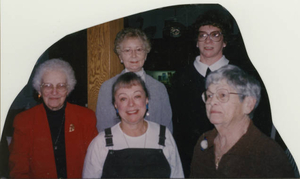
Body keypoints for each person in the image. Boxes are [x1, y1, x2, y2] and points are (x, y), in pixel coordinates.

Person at [170, 9, 273, 176]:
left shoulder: (243, 75)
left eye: (215, 35)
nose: (208, 40)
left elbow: (262, 121)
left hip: (236, 158)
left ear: (224, 41)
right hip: (191, 161)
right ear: (196, 41)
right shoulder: (181, 77)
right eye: (202, 35)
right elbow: (175, 123)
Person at [190, 64, 294, 178]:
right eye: (209, 95)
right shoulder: (204, 143)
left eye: (223, 95)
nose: (212, 101)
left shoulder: (268, 154)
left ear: (248, 104)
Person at [83, 72, 184, 178]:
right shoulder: (101, 143)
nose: (131, 104)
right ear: (116, 105)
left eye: (137, 96)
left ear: (146, 100)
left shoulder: (164, 135)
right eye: (123, 98)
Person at [9, 59, 98, 178]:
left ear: (68, 89)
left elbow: (95, 164)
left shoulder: (86, 117)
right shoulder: (24, 121)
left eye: (61, 86)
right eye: (47, 86)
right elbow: (19, 171)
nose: (54, 92)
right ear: (39, 90)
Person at [95, 27, 173, 133]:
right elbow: (103, 129)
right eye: (127, 50)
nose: (134, 55)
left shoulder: (159, 88)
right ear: (120, 56)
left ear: (145, 55)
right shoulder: (107, 87)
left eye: (139, 50)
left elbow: (167, 129)